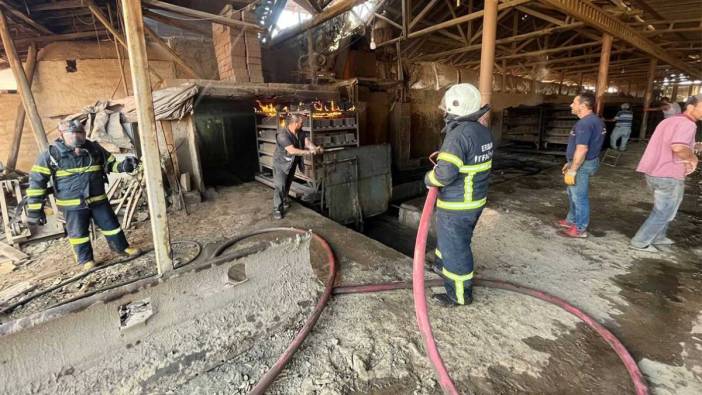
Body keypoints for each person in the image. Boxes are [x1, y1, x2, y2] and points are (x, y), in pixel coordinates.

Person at [26, 120, 142, 270]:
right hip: (72, 205)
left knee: (112, 226)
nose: (76, 137)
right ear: (62, 135)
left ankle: (122, 248)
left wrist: (124, 166)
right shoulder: (51, 154)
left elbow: (111, 164)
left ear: (84, 133)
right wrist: (34, 210)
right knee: (78, 233)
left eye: (79, 133)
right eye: (71, 134)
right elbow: (37, 183)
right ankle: (86, 260)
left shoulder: (94, 148)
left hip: (98, 200)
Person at [424, 83, 493, 306]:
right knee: (452, 240)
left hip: (458, 205)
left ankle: (459, 295)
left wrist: (428, 178)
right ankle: (440, 266)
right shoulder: (481, 130)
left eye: (447, 107)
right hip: (474, 201)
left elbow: (444, 175)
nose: (444, 111)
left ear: (456, 107)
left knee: (456, 248)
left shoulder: (458, 135)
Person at [630, 94, 701, 252]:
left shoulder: (670, 120)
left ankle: (658, 237)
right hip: (668, 173)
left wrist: (694, 146)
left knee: (666, 208)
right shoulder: (688, 124)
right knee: (664, 211)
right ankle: (640, 242)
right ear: (690, 107)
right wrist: (693, 158)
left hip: (653, 171)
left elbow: (674, 142)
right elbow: (678, 147)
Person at [557, 92, 606, 238]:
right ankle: (571, 220)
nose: (571, 105)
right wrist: (570, 162)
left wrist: (573, 169)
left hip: (582, 165)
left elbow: (582, 149)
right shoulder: (596, 120)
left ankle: (580, 229)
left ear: (583, 106)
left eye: (574, 102)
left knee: (579, 197)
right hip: (584, 162)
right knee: (572, 193)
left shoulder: (584, 123)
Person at [272, 113, 323, 219]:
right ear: (295, 123)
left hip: (291, 163)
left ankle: (284, 200)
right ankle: (277, 208)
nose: (302, 124)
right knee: (280, 185)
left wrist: (314, 148)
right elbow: (291, 150)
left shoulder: (300, 132)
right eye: (301, 123)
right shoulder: (282, 134)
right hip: (281, 164)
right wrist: (308, 152)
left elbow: (307, 142)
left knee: (287, 183)